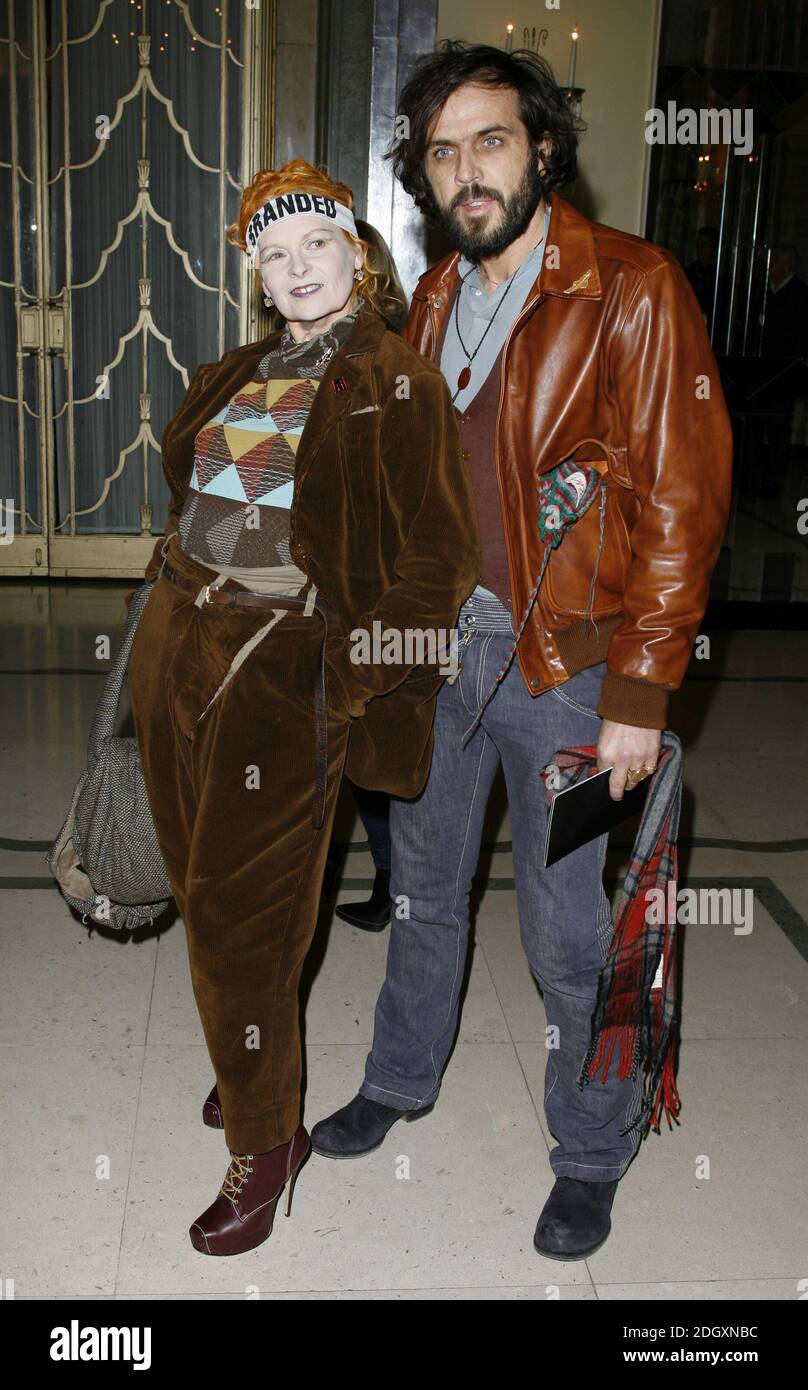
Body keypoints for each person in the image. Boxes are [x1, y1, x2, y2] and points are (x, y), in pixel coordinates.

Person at [311, 42, 733, 1262]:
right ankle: (400, 1080)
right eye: (442, 151)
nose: (466, 170)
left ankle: (591, 1151)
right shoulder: (437, 296)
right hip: (442, 657)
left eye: (490, 140)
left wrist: (643, 695)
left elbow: (681, 503)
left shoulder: (634, 289)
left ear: (542, 148)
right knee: (423, 892)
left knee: (566, 928)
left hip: (574, 670)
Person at [126, 158, 480, 1256]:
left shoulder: (395, 377)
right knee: (201, 885)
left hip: (288, 673)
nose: (295, 269)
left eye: (314, 245)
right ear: (257, 279)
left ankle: (266, 1141)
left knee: (246, 915)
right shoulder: (233, 367)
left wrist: (347, 685)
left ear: (358, 256)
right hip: (182, 641)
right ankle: (250, 1064)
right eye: (273, 256)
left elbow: (439, 564)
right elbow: (193, 501)